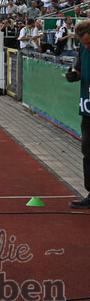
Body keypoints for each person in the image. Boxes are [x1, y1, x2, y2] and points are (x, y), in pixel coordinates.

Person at [66, 20, 90, 209]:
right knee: (87, 151)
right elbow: (78, 69)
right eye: (83, 43)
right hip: (87, 108)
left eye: (89, 43)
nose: (86, 46)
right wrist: (73, 74)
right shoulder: (82, 50)